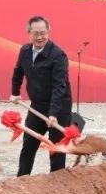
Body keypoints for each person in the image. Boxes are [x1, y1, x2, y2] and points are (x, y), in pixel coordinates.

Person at [11, 16, 71, 176]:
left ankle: (56, 184)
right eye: (35, 33)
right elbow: (18, 72)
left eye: (43, 33)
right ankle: (22, 180)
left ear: (48, 31)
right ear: (29, 33)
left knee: (56, 149)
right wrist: (15, 92)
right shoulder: (25, 51)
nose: (39, 37)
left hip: (59, 109)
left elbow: (59, 86)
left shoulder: (58, 55)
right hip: (37, 106)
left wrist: (53, 114)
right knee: (28, 145)